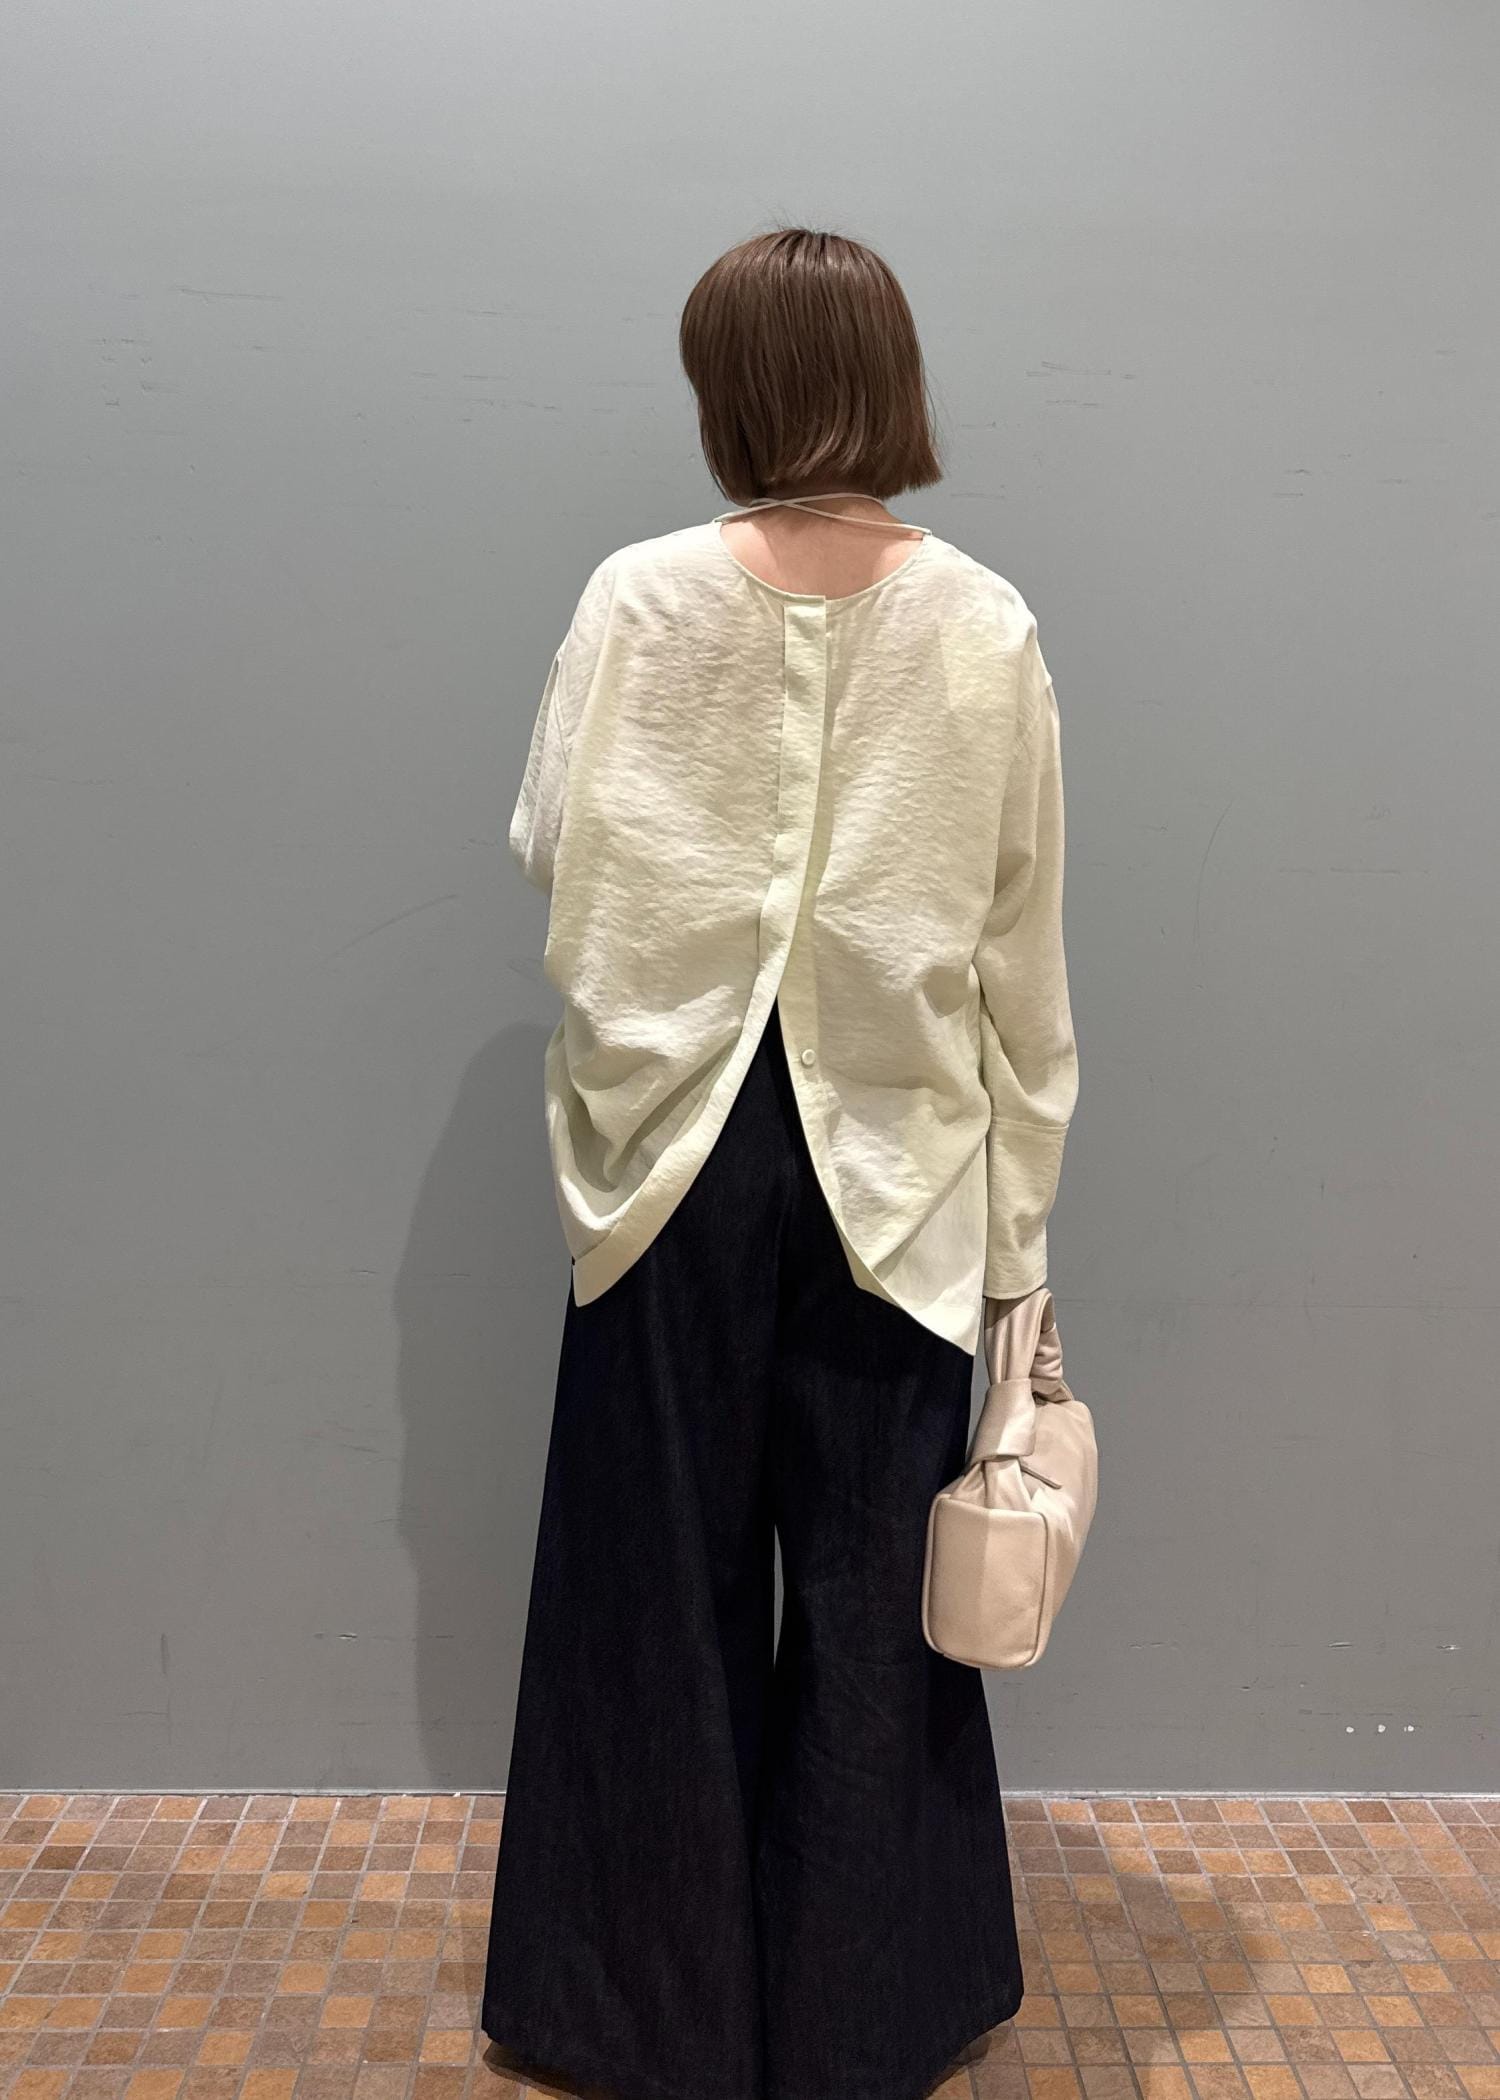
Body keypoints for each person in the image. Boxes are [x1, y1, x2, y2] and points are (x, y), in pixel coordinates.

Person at [481, 225, 1080, 2100]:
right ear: (892, 383)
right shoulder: (983, 623)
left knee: (643, 1588)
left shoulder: (639, 600)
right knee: (876, 1598)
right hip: (899, 1167)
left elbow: (549, 839)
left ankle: (636, 2019)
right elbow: (1019, 951)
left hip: (672, 1155)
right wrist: (1022, 1232)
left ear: (728, 391)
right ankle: (857, 2023)